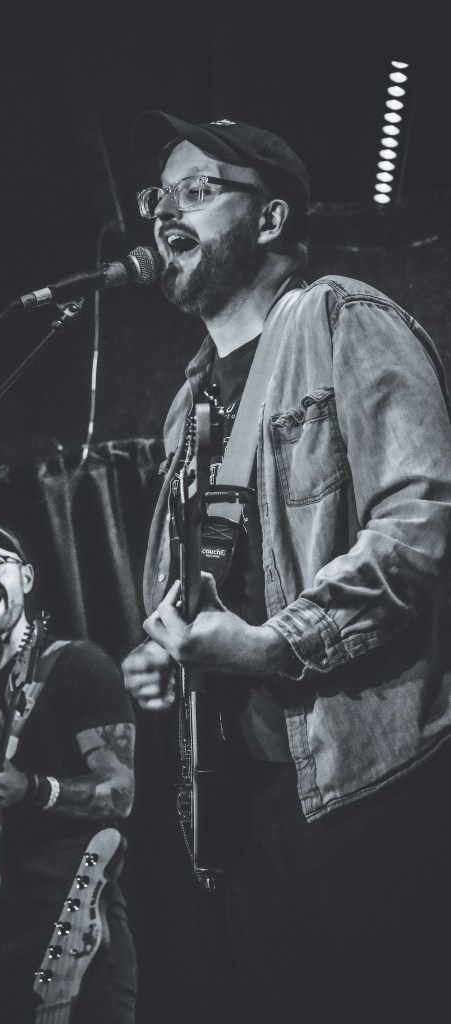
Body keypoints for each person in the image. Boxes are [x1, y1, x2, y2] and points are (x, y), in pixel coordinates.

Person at [121, 109, 451, 1022]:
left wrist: (271, 647)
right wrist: (168, 656)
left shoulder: (343, 317)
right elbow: (207, 587)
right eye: (158, 197)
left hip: (368, 785)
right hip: (244, 807)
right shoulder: (185, 405)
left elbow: (419, 524)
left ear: (268, 220)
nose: (162, 215)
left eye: (196, 191)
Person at [0, 521, 137, 1024]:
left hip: (75, 922)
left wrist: (35, 790)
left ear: (28, 578)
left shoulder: (76, 664)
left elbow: (120, 791)